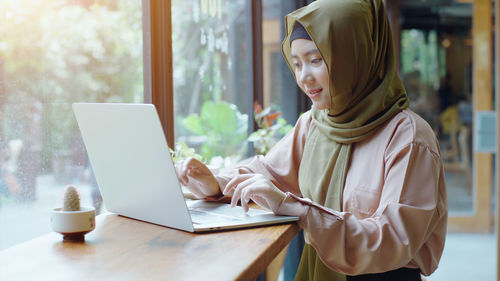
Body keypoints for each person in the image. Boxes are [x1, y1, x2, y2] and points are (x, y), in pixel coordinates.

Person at [176, 0, 447, 280]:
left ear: (355, 57)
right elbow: (266, 172)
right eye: (297, 63)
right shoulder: (316, 123)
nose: (304, 77)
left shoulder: (408, 137)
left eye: (316, 60)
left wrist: (298, 209)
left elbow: (391, 241)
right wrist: (214, 183)